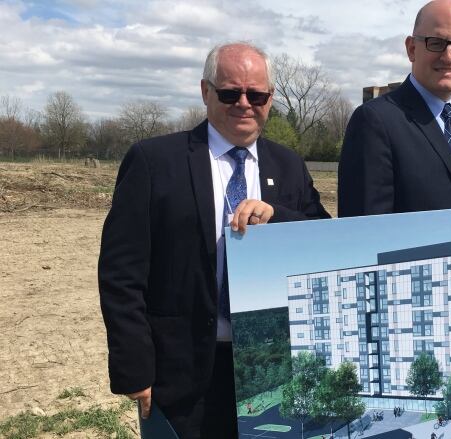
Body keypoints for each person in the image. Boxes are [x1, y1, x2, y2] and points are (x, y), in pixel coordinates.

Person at [98, 41, 330, 438]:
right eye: (229, 92)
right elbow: (121, 273)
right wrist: (134, 368)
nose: (244, 103)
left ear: (270, 99)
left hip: (270, 368)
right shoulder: (154, 162)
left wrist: (278, 218)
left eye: (256, 94)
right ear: (205, 92)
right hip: (183, 372)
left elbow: (321, 239)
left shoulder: (288, 165)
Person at [338, 0, 451, 217]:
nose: (449, 56)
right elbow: (364, 229)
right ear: (412, 48)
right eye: (436, 43)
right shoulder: (374, 121)